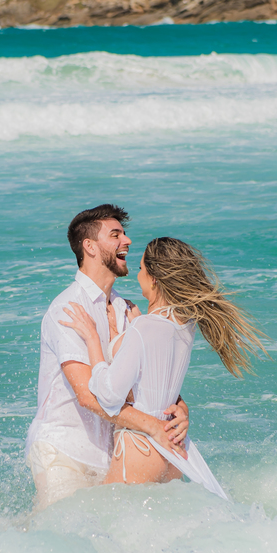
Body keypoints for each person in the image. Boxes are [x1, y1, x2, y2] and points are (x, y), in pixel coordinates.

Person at [59, 236, 264, 499]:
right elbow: (157, 374)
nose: (138, 275)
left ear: (154, 278)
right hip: (174, 456)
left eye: (142, 269)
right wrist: (135, 327)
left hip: (140, 449)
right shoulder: (186, 327)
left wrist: (92, 339)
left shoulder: (144, 328)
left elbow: (109, 395)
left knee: (90, 524)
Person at [25, 205, 189, 511]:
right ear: (89, 246)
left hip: (109, 452)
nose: (126, 241)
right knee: (61, 539)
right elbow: (88, 396)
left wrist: (179, 409)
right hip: (64, 450)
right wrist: (154, 427)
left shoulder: (127, 311)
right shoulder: (68, 308)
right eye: (115, 235)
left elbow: (141, 383)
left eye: (124, 234)